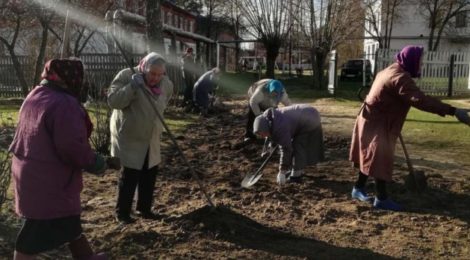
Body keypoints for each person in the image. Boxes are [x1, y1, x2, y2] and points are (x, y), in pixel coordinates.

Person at [9, 59, 109, 260]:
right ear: (73, 79)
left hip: (30, 173)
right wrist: (95, 162)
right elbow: (71, 147)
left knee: (70, 224)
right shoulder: (64, 103)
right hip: (49, 182)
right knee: (32, 236)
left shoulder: (36, 94)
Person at [349, 45, 470, 211]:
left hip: (372, 118)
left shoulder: (389, 70)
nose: (421, 65)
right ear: (411, 60)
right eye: (419, 61)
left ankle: (358, 188)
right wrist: (453, 111)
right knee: (379, 157)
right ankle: (381, 198)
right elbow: (420, 100)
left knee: (370, 155)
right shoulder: (399, 77)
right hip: (377, 122)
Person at [108, 52, 174, 224]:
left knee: (149, 171)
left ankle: (144, 209)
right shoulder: (127, 75)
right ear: (144, 67)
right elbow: (114, 101)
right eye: (152, 73)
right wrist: (131, 87)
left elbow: (166, 100)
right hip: (129, 135)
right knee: (130, 173)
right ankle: (122, 213)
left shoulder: (166, 84)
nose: (155, 78)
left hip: (151, 135)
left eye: (160, 74)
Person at [253, 104, 325, 184]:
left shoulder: (280, 127)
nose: (263, 136)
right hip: (303, 116)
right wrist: (267, 148)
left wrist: (282, 171)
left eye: (263, 134)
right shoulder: (269, 120)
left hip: (310, 117)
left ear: (266, 127)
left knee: (298, 145)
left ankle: (296, 176)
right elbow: (271, 135)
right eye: (260, 135)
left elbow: (286, 149)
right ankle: (296, 169)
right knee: (293, 144)